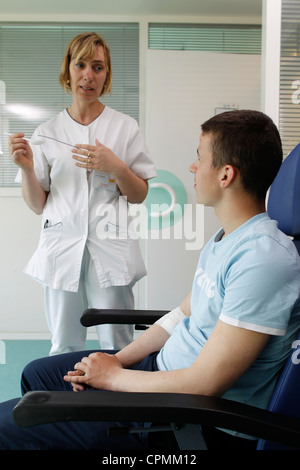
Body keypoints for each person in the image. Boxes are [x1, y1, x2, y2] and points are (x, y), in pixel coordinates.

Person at [1, 109, 299, 450]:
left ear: (225, 175)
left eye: (199, 158)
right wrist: (120, 360)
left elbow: (204, 384)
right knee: (36, 374)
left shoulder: (263, 260)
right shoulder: (229, 238)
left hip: (184, 417)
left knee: (15, 422)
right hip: (162, 372)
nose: (192, 167)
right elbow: (182, 314)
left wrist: (113, 378)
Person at [8, 32, 156, 354]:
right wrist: (26, 169)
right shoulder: (47, 132)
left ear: (106, 75)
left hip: (111, 247)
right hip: (62, 247)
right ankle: (68, 405)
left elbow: (140, 194)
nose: (88, 75)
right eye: (81, 65)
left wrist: (115, 166)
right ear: (68, 70)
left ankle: (117, 402)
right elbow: (38, 204)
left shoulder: (125, 127)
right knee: (64, 344)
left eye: (98, 67)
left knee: (117, 343)